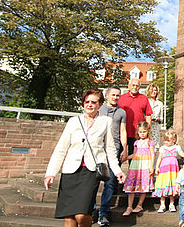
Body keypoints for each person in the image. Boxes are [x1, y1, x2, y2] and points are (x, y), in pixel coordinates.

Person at [44, 89, 125, 227]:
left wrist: (117, 171)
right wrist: (50, 173)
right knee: (69, 216)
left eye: (94, 102)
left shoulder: (106, 121)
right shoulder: (73, 121)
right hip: (70, 172)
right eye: (87, 102)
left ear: (100, 104)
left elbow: (110, 149)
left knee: (82, 215)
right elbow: (61, 149)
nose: (90, 105)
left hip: (90, 172)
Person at [96, 87, 127, 227]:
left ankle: (103, 212)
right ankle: (90, 212)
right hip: (97, 147)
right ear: (107, 95)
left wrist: (124, 148)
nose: (115, 97)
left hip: (113, 148)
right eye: (113, 95)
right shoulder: (98, 109)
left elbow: (123, 131)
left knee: (110, 182)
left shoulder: (121, 112)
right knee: (93, 181)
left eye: (118, 95)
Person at [122, 121, 155, 216]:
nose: (142, 134)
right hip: (135, 166)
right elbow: (135, 154)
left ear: (148, 131)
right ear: (138, 132)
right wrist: (126, 157)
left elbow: (152, 154)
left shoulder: (150, 142)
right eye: (140, 132)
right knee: (131, 185)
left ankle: (139, 205)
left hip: (145, 166)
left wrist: (151, 166)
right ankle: (129, 206)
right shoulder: (136, 142)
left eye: (144, 132)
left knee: (143, 185)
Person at [152, 128, 184, 212]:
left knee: (172, 184)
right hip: (164, 169)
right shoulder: (163, 148)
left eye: (168, 141)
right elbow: (159, 158)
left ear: (174, 140)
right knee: (163, 184)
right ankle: (162, 204)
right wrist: (157, 167)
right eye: (165, 140)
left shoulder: (177, 147)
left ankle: (171, 203)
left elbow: (182, 154)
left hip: (173, 170)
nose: (166, 142)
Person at [119, 78, 152, 156]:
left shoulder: (144, 98)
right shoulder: (121, 98)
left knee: (135, 158)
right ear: (129, 86)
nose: (135, 87)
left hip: (138, 134)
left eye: (137, 86)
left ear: (139, 87)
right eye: (133, 85)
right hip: (123, 132)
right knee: (119, 157)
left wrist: (148, 130)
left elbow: (148, 115)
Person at [146, 83, 164, 149]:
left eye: (155, 90)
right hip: (147, 126)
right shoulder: (146, 101)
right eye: (152, 90)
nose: (154, 92)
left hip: (155, 127)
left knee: (155, 146)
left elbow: (161, 118)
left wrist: (158, 119)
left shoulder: (159, 104)